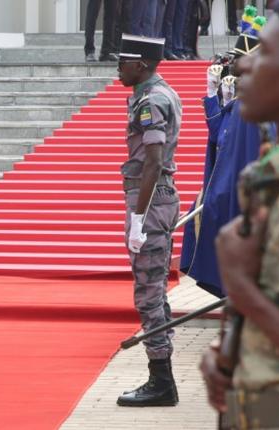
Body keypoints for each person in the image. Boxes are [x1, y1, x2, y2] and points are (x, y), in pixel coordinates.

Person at [200, 2, 279, 427]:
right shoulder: (277, 177)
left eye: (265, 54)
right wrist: (231, 362)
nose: (243, 66)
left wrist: (243, 289)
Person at [116, 34, 182, 407]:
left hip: (151, 200)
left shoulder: (151, 100)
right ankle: (163, 375)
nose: (118, 68)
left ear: (141, 64)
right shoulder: (159, 92)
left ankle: (161, 381)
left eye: (123, 62)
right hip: (157, 198)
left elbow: (153, 162)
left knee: (147, 293)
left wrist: (139, 218)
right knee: (155, 290)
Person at [180, 26, 267, 298]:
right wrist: (214, 97)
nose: (230, 66)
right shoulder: (241, 100)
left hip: (235, 191)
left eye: (236, 60)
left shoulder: (252, 103)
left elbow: (229, 147)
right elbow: (219, 138)